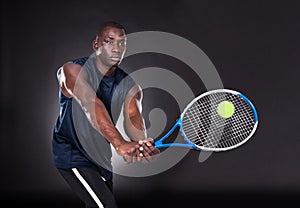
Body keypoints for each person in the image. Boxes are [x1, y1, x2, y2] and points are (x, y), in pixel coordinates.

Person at [52, 21, 159, 208]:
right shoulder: (72, 71)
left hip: (101, 158)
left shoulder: (129, 85)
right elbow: (91, 105)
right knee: (106, 205)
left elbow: (133, 116)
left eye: (122, 43)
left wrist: (141, 142)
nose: (117, 48)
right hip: (73, 153)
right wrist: (120, 144)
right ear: (96, 45)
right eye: (110, 41)